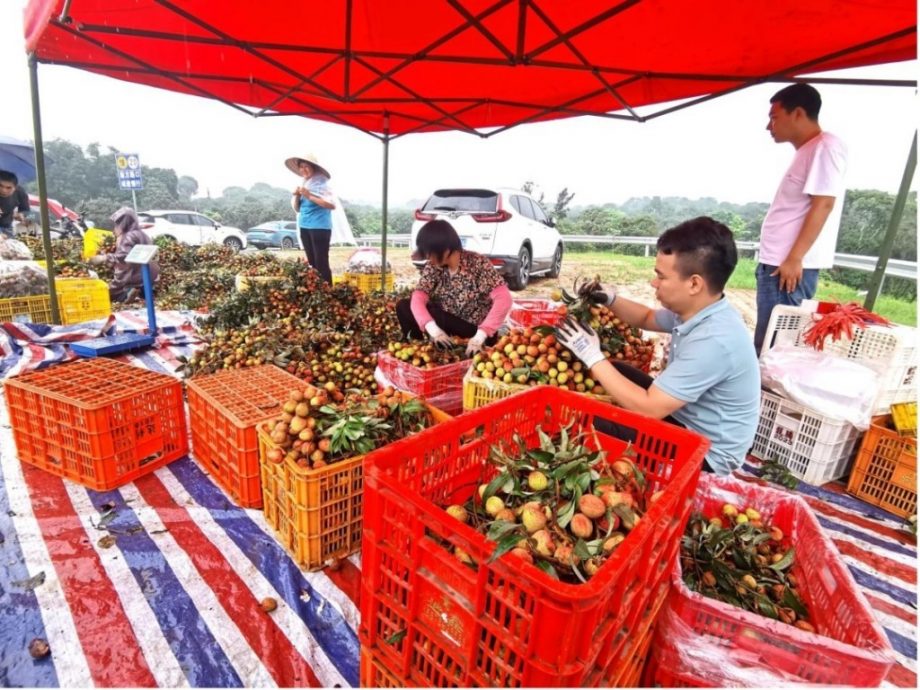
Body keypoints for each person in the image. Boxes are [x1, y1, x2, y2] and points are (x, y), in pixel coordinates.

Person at [556, 217, 760, 475]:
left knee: (593, 420)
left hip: (705, 452)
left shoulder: (715, 340)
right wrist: (610, 299)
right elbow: (646, 318)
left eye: (660, 276)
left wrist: (591, 355)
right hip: (687, 417)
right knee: (616, 370)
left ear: (694, 284)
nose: (654, 283)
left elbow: (649, 409)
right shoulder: (699, 310)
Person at [754, 83, 848, 354]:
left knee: (774, 347)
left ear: (797, 113)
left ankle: (764, 395)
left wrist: (795, 258)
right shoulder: (808, 151)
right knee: (766, 339)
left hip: (788, 267)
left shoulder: (825, 147)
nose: (769, 126)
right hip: (779, 263)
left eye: (774, 117)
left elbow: (824, 203)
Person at [397, 219, 512, 356]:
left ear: (445, 250)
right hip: (447, 326)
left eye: (431, 253)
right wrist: (433, 329)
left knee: (436, 314)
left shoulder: (477, 264)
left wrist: (481, 334)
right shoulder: (434, 267)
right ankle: (419, 350)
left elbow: (504, 299)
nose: (429, 257)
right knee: (403, 306)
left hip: (474, 332)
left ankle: (465, 346)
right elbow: (418, 296)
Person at [89, 206, 160, 302]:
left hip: (137, 278)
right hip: (151, 276)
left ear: (123, 223)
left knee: (112, 295)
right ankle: (141, 294)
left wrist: (103, 258)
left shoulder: (128, 236)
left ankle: (128, 295)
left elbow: (123, 257)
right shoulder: (143, 234)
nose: (115, 228)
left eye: (116, 225)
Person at [286, 153, 336, 284]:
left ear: (313, 167)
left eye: (306, 166)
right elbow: (298, 208)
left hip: (319, 228)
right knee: (312, 263)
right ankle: (316, 292)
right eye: (301, 167)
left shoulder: (322, 183)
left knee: (321, 262)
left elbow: (331, 204)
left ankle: (327, 292)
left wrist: (309, 195)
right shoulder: (305, 183)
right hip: (305, 226)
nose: (303, 170)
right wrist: (297, 195)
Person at [0, 170, 31, 238]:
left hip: (7, 225)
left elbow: (26, 210)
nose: (3, 190)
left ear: (15, 188)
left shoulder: (20, 192)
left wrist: (21, 215)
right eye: (0, 186)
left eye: (8, 188)